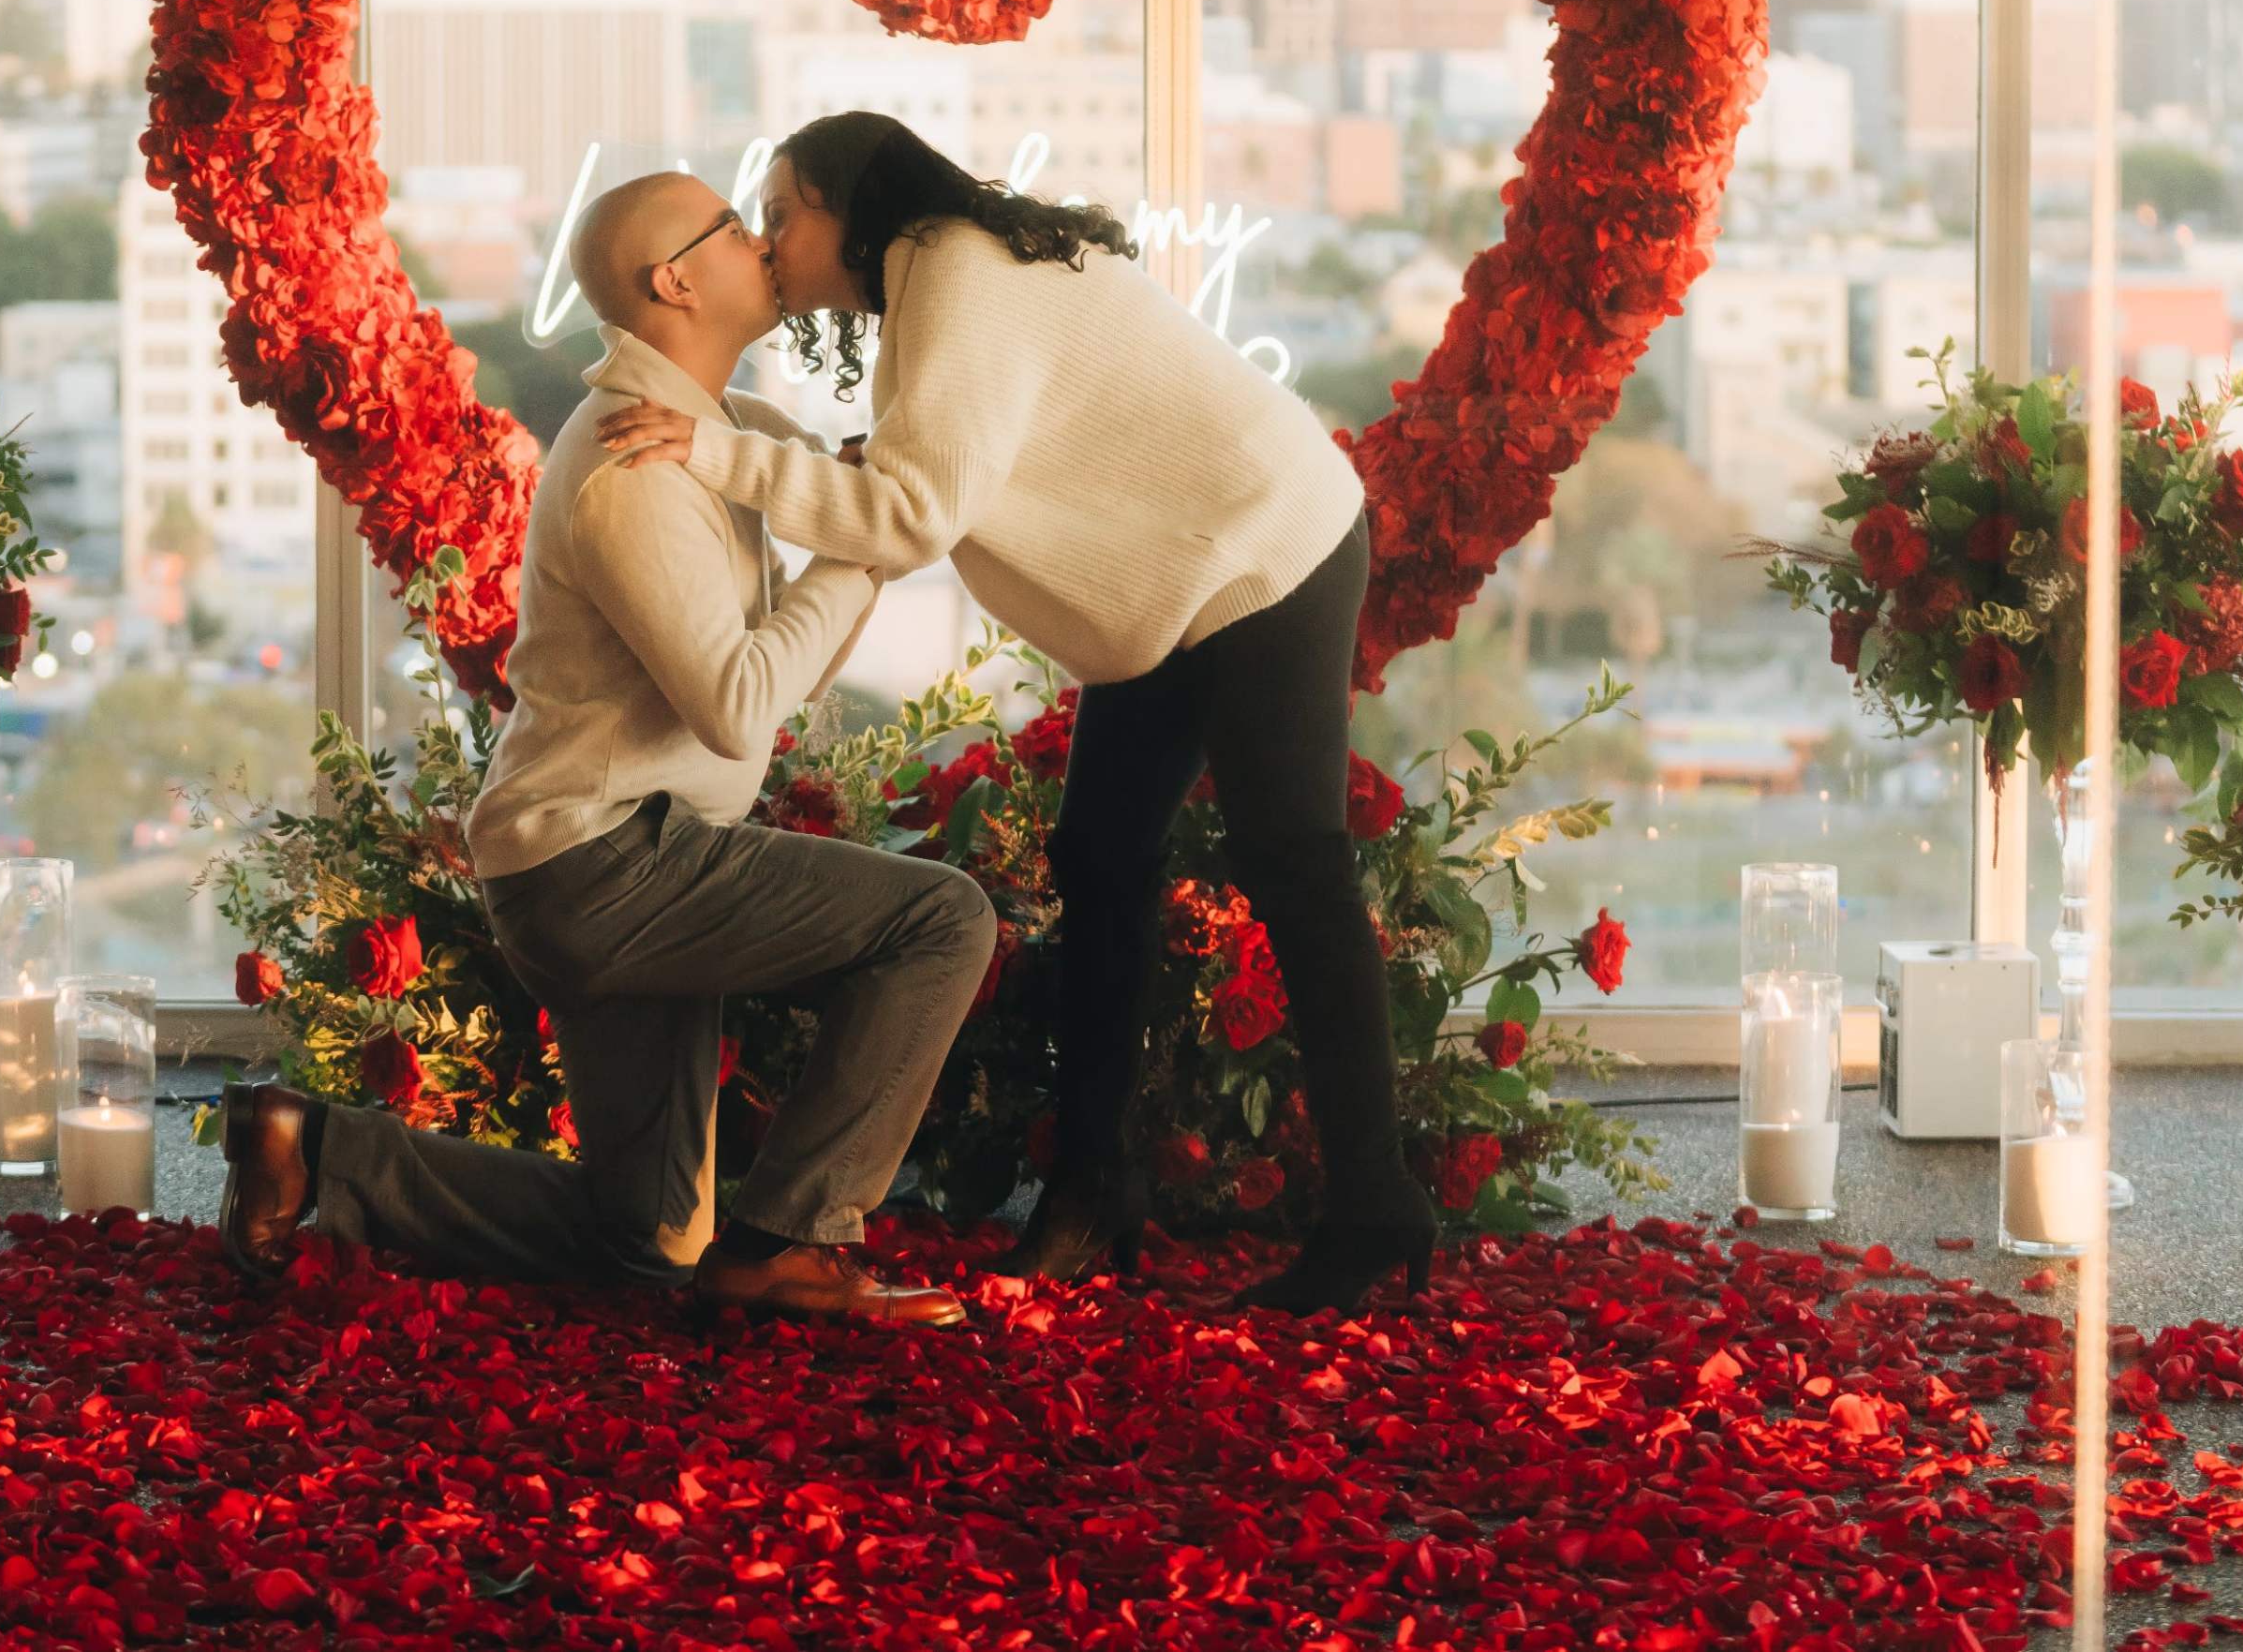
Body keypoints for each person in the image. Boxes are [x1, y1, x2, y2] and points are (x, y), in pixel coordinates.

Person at [598, 111, 1432, 1316]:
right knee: (1100, 858)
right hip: (1179, 588)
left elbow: (910, 514)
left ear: (845, 205)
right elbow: (932, 472)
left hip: (1268, 549)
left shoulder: (956, 275)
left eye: (780, 213)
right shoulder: (930, 276)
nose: (770, 244)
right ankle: (1097, 1190)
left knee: (1293, 862)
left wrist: (713, 458)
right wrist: (766, 453)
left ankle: (1375, 1215)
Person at [218, 168, 993, 1326]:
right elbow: (740, 707)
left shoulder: (716, 435)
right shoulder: (633, 464)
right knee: (946, 921)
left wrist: (864, 522)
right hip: (610, 863)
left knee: (645, 1239)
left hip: (614, 855)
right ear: (674, 278)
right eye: (739, 225)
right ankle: (790, 1240)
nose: (765, 239)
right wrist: (860, 548)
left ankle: (316, 1154)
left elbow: (790, 659)